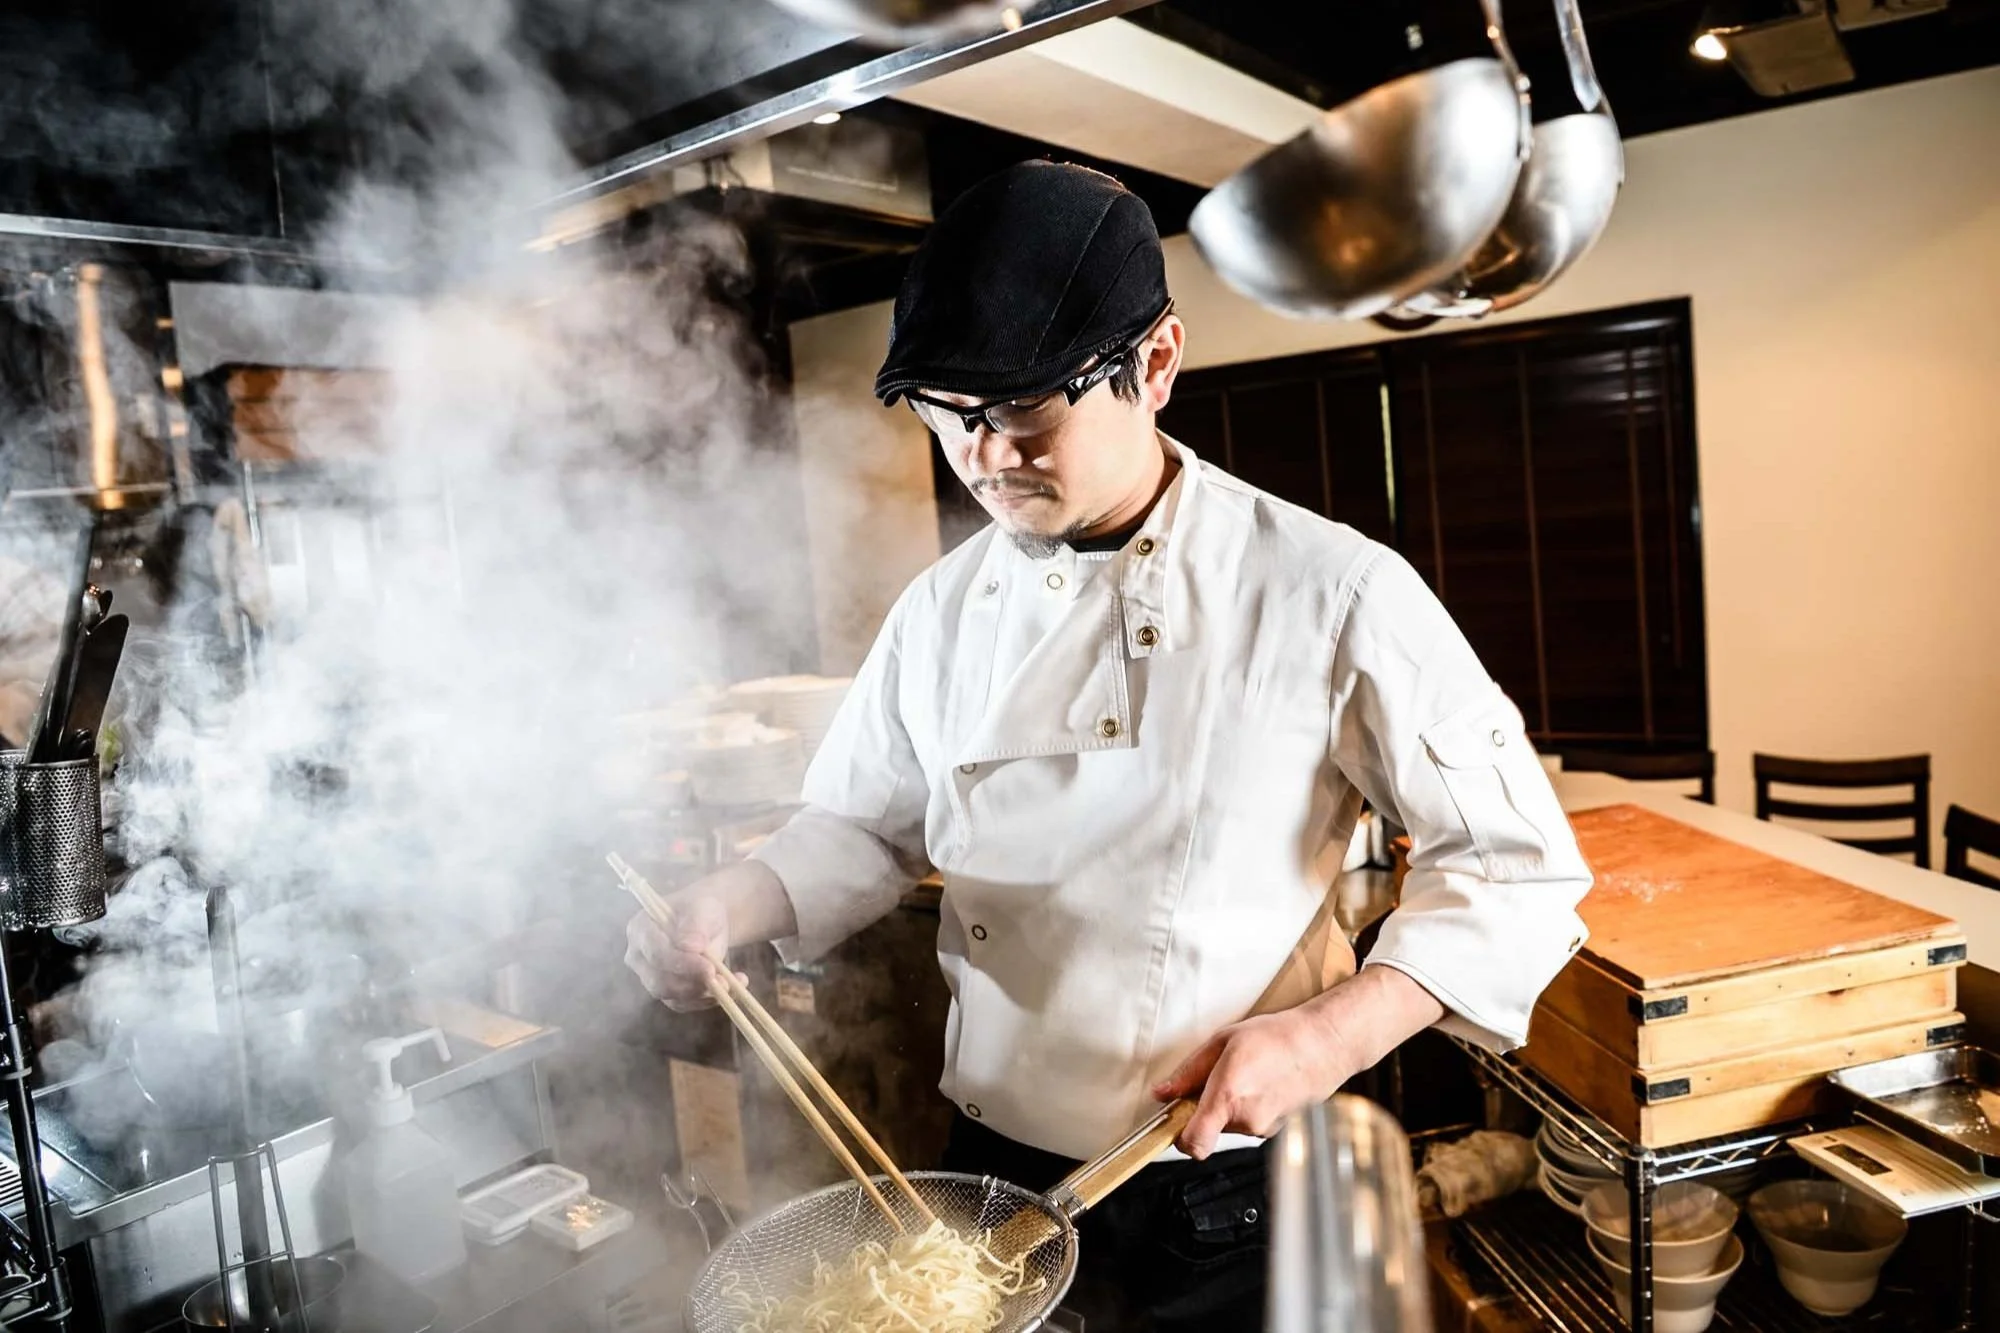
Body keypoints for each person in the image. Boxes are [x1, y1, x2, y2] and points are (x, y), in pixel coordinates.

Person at [626, 161, 1592, 1330]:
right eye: (949, 415)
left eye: (1024, 412)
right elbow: (859, 825)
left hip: (1216, 1178)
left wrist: (1329, 1035)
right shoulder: (940, 610)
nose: (983, 456)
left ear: (1157, 363)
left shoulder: (1327, 588)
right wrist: (733, 900)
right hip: (985, 1170)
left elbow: (1512, 868)